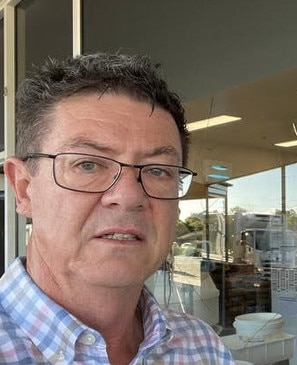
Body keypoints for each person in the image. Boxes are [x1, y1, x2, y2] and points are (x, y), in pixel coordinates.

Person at [0, 53, 236, 364]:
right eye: (87, 164)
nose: (128, 196)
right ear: (23, 188)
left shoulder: (203, 348)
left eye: (157, 170)